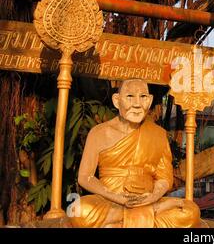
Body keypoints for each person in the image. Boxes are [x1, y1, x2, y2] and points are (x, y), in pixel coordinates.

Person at [70, 79, 200, 228]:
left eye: (143, 97)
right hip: (110, 201)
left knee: (190, 211)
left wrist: (153, 197)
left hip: (148, 199)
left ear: (150, 100)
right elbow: (85, 177)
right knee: (78, 210)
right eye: (130, 97)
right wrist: (117, 198)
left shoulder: (158, 134)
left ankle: (122, 220)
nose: (137, 104)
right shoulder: (99, 133)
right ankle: (148, 214)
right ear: (117, 101)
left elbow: (164, 177)